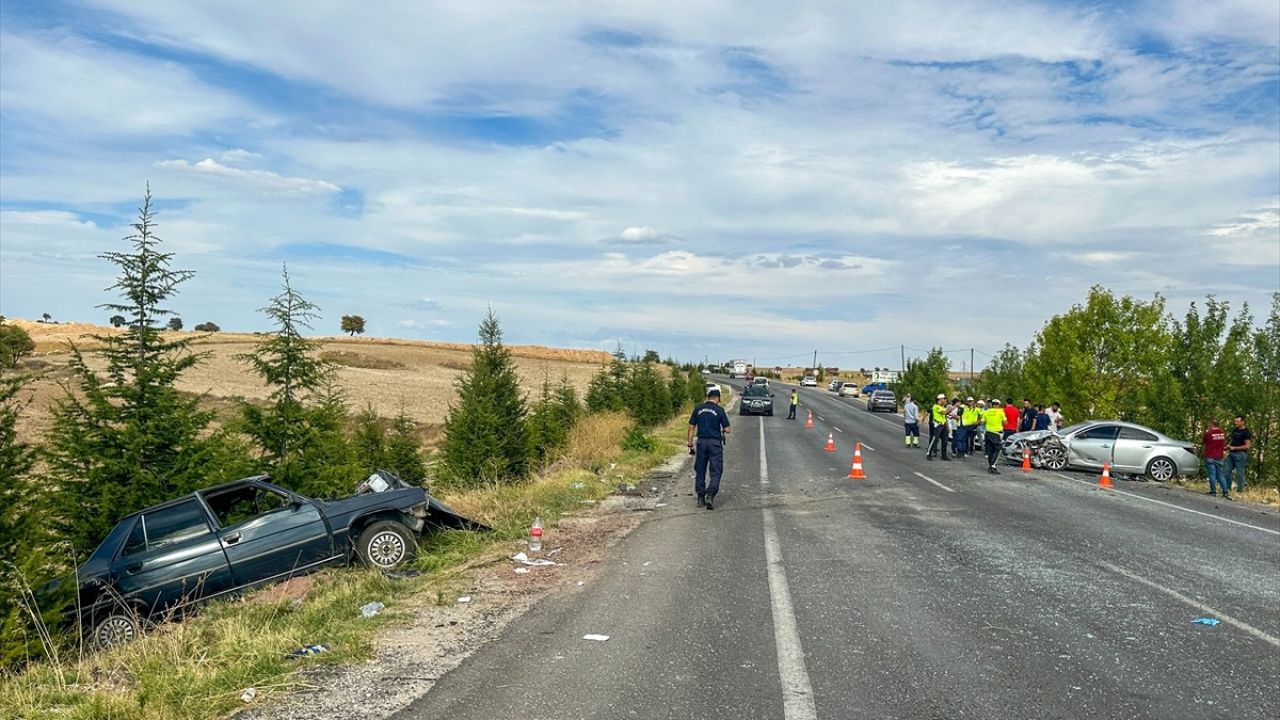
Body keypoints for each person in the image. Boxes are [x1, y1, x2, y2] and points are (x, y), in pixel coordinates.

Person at [687, 387, 731, 510]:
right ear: (717, 398)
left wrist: (690, 445)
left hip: (701, 442)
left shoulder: (698, 409)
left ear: (708, 397)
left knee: (700, 470)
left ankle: (700, 497)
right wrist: (722, 429)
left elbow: (691, 428)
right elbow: (727, 429)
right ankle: (710, 495)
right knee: (716, 470)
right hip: (715, 444)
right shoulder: (719, 410)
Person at [1224, 415, 1253, 494]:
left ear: (1243, 422)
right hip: (1231, 454)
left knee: (1240, 473)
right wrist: (1228, 446)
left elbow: (1247, 446)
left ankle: (1240, 491)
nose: (1236, 423)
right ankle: (1227, 489)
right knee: (1227, 470)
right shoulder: (1235, 430)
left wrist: (1235, 448)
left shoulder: (1246, 432)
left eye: (1238, 421)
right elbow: (1232, 440)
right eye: (1235, 421)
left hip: (1241, 454)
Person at [1202, 419, 1229, 499]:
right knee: (1220, 474)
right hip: (1219, 456)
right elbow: (1224, 443)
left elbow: (1203, 442)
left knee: (1212, 474)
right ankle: (1225, 491)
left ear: (1211, 424)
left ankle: (1213, 491)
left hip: (1210, 455)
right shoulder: (1222, 433)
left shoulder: (1208, 433)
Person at [982, 399, 1006, 473]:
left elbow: (982, 422)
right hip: (996, 433)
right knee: (998, 449)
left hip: (988, 432)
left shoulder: (986, 412)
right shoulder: (1001, 412)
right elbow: (1005, 422)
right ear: (998, 405)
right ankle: (993, 466)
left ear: (992, 404)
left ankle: (990, 465)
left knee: (990, 450)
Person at [926, 393, 950, 461]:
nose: (945, 400)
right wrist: (952, 407)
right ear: (940, 400)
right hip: (938, 425)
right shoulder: (936, 406)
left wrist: (947, 427)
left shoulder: (943, 407)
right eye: (944, 399)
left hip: (943, 425)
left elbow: (945, 417)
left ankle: (944, 455)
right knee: (935, 439)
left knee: (945, 440)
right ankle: (928, 454)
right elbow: (944, 413)